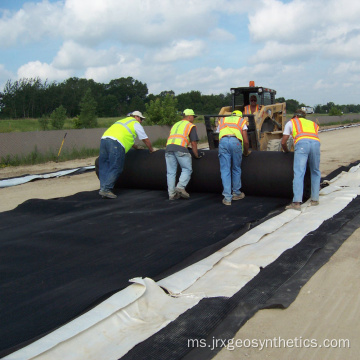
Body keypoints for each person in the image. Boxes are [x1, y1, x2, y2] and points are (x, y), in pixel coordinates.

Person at [98, 111, 154, 199]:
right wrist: (151, 150)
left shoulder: (122, 121)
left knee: (104, 165)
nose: (141, 121)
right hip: (115, 144)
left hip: (104, 140)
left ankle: (103, 188)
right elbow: (145, 139)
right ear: (136, 117)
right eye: (141, 119)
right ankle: (106, 189)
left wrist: (135, 147)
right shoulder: (135, 123)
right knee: (116, 166)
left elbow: (123, 136)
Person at [281, 109, 321, 210]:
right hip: (316, 144)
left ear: (295, 116)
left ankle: (297, 203)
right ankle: (315, 199)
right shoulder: (313, 123)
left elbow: (283, 142)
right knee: (315, 171)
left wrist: (286, 151)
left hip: (302, 144)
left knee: (299, 172)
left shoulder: (291, 122)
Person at [165, 109, 203, 200]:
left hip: (168, 148)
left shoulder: (176, 124)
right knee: (187, 169)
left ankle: (172, 194)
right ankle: (180, 187)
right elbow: (193, 142)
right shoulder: (190, 126)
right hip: (181, 148)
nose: (193, 118)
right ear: (189, 116)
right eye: (193, 116)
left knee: (171, 172)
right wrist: (196, 155)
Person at [218, 110, 250, 205]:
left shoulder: (223, 120)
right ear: (240, 116)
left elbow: (218, 133)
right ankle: (236, 193)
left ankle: (227, 198)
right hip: (235, 142)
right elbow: (246, 141)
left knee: (225, 170)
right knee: (236, 168)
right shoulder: (241, 121)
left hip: (223, 142)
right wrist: (246, 152)